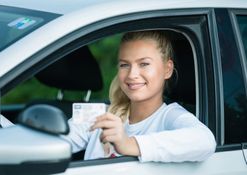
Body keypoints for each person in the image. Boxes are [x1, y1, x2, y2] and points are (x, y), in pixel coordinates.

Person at [67, 30, 216, 162]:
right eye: (124, 65)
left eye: (144, 64)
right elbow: (57, 141)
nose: (132, 75)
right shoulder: (100, 114)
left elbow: (206, 141)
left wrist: (128, 144)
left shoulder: (169, 117)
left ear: (167, 69)